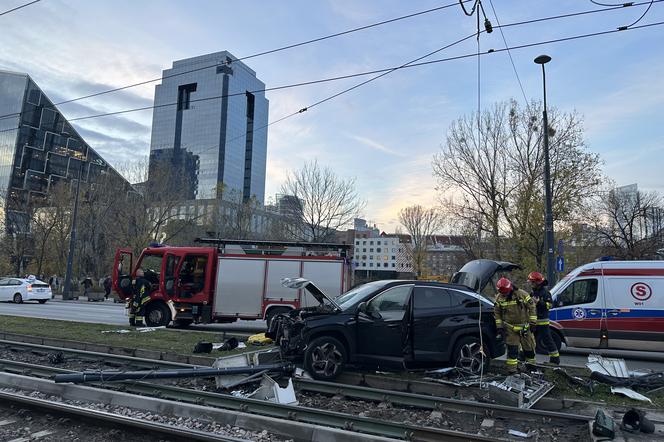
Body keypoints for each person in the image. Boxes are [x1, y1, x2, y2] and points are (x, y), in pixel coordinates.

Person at [494, 277, 537, 373]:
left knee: (529, 349)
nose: (504, 295)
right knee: (512, 351)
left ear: (510, 289)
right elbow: (497, 313)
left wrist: (533, 323)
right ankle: (512, 371)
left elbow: (532, 307)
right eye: (502, 293)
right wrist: (499, 327)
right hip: (510, 328)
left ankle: (531, 368)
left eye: (505, 293)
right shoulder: (499, 298)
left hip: (525, 328)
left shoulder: (521, 294)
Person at [528, 271, 560, 365]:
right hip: (533, 321)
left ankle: (555, 360)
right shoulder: (533, 293)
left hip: (542, 322)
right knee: (528, 339)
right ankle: (525, 357)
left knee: (547, 341)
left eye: (532, 282)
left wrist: (539, 303)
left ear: (538, 282)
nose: (531, 284)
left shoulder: (546, 293)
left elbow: (550, 305)